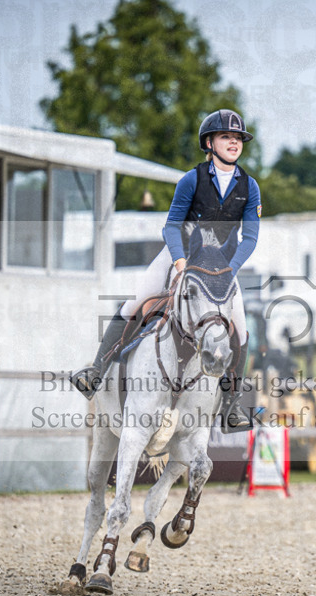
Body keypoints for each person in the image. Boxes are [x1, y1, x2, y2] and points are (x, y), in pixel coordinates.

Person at [74, 108, 262, 433]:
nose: (233, 142)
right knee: (134, 303)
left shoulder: (250, 186)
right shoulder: (191, 180)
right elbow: (171, 226)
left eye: (237, 138)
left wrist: (230, 268)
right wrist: (178, 261)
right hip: (179, 254)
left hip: (220, 266)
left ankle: (230, 408)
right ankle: (96, 371)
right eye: (226, 137)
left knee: (242, 331)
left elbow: (251, 237)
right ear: (209, 142)